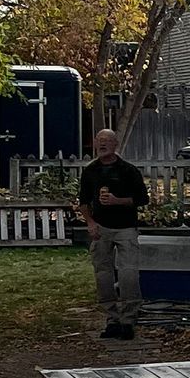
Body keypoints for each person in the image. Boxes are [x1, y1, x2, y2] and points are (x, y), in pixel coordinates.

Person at [79, 128, 149, 340]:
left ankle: (128, 320)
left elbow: (142, 200)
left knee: (128, 274)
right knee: (103, 275)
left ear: (115, 145)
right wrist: (90, 223)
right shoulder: (90, 171)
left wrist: (118, 201)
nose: (102, 144)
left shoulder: (128, 171)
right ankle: (111, 320)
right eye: (99, 140)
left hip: (126, 228)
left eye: (107, 141)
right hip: (101, 228)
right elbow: (83, 202)